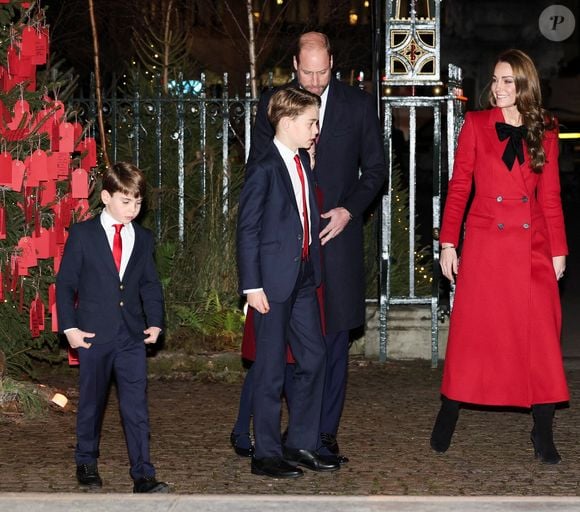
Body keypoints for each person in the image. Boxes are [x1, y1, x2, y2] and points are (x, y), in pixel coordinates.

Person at [247, 31, 386, 463]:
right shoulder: (274, 103)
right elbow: (258, 169)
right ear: (295, 65)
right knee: (287, 347)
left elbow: (376, 170)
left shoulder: (358, 105)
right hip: (288, 245)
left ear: (333, 63)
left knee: (331, 343)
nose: (314, 81)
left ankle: (322, 436)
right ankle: (289, 434)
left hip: (337, 242)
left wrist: (348, 210)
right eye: (307, 72)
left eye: (322, 71)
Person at [430, 49, 569, 464]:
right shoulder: (474, 125)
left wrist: (559, 249)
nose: (498, 88)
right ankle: (448, 413)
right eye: (494, 80)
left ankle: (542, 430)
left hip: (533, 250)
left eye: (507, 81)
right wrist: (448, 243)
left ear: (524, 85)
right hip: (488, 246)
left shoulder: (546, 129)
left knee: (541, 340)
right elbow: (459, 188)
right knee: (473, 338)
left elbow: (552, 197)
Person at [237, 86, 339, 478]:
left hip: (303, 280)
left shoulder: (301, 162)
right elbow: (247, 230)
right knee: (270, 369)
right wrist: (252, 286)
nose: (317, 129)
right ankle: (265, 454)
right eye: (311, 122)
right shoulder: (264, 167)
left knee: (315, 358)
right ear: (287, 122)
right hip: (271, 284)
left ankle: (300, 442)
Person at [56, 162, 170, 492]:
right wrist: (70, 328)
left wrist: (156, 322)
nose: (132, 209)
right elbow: (65, 285)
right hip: (92, 335)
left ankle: (143, 474)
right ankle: (86, 462)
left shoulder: (143, 238)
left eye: (138, 202)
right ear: (106, 197)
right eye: (125, 201)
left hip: (131, 336)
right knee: (92, 402)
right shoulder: (83, 234)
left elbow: (150, 283)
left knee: (136, 407)